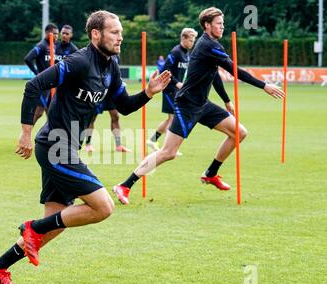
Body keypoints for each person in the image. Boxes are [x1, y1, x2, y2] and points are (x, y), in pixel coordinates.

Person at [0, 10, 171, 284]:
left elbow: (125, 107)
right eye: (114, 32)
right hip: (55, 146)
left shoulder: (111, 66)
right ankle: (33, 226)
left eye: (120, 32)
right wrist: (25, 132)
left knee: (55, 224)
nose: (120, 37)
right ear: (96, 34)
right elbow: (33, 85)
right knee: (103, 207)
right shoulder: (79, 61)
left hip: (68, 147)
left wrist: (148, 93)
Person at [113, 7, 284, 205]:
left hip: (203, 104)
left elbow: (215, 75)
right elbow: (234, 70)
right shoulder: (207, 45)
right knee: (168, 153)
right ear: (207, 25)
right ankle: (124, 185)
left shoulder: (213, 45)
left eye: (222, 23)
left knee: (239, 132)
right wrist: (264, 86)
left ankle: (210, 174)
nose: (222, 27)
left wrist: (226, 99)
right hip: (187, 105)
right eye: (219, 24)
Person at [146, 28, 198, 155]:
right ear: (183, 38)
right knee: (174, 118)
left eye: (193, 41)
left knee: (171, 119)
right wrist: (176, 83)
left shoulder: (187, 53)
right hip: (169, 89)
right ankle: (167, 147)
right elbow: (165, 69)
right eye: (190, 40)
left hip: (176, 90)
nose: (192, 43)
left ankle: (153, 140)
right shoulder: (175, 52)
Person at [84, 54, 132, 153]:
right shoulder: (97, 55)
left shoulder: (116, 57)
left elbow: (116, 76)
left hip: (111, 93)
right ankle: (88, 144)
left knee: (115, 116)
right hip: (98, 91)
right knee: (92, 118)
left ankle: (119, 146)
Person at [24, 24, 59, 123]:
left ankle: (51, 136)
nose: (56, 36)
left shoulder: (53, 46)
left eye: (57, 34)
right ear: (47, 33)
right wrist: (37, 73)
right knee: (38, 112)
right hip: (44, 86)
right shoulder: (42, 45)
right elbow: (28, 59)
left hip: (52, 85)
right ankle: (26, 134)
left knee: (52, 113)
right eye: (54, 34)